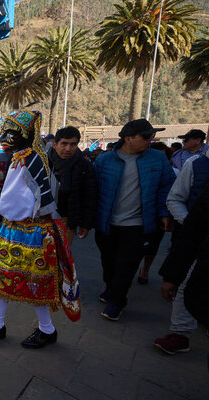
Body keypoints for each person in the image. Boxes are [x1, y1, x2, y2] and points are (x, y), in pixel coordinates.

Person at [0, 110, 81, 349]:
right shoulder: (21, 156)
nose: (6, 137)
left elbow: (42, 195)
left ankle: (47, 329)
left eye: (12, 133)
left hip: (32, 230)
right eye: (5, 131)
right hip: (12, 227)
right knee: (2, 276)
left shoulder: (32, 157)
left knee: (36, 281)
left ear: (26, 134)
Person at [94, 119, 175, 321]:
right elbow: (93, 190)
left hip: (138, 226)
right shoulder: (104, 161)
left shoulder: (157, 159)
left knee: (126, 266)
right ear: (128, 139)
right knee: (109, 263)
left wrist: (164, 213)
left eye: (152, 136)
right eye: (147, 137)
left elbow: (167, 187)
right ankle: (112, 289)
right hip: (107, 224)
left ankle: (117, 302)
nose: (151, 140)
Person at [153, 149, 209, 354]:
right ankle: (180, 333)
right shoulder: (196, 165)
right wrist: (192, 224)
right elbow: (175, 199)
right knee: (187, 284)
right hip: (198, 243)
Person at [48, 126, 97, 245]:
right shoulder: (43, 162)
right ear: (55, 144)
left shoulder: (84, 166)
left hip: (67, 219)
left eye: (73, 144)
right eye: (64, 144)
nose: (68, 148)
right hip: (43, 218)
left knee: (63, 258)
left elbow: (90, 196)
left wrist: (86, 224)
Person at [137, 141, 175, 284]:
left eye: (163, 157)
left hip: (156, 215)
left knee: (151, 247)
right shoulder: (139, 169)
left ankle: (145, 270)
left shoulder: (173, 173)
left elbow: (170, 194)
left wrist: (165, 214)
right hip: (137, 215)